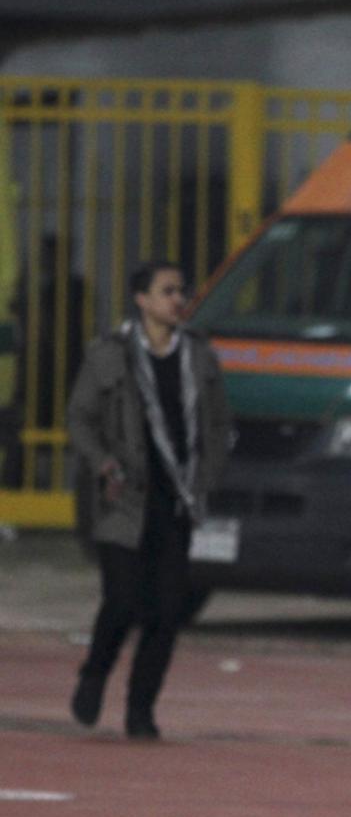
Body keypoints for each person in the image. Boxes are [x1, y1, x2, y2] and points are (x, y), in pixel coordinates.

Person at [65, 261, 232, 740]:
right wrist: (102, 463)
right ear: (141, 300)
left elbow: (218, 422)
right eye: (167, 291)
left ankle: (140, 710)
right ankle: (94, 673)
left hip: (176, 502)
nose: (178, 300)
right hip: (124, 500)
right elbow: (80, 419)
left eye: (181, 291)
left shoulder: (198, 357)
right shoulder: (108, 356)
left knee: (166, 612)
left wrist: (208, 475)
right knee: (122, 602)